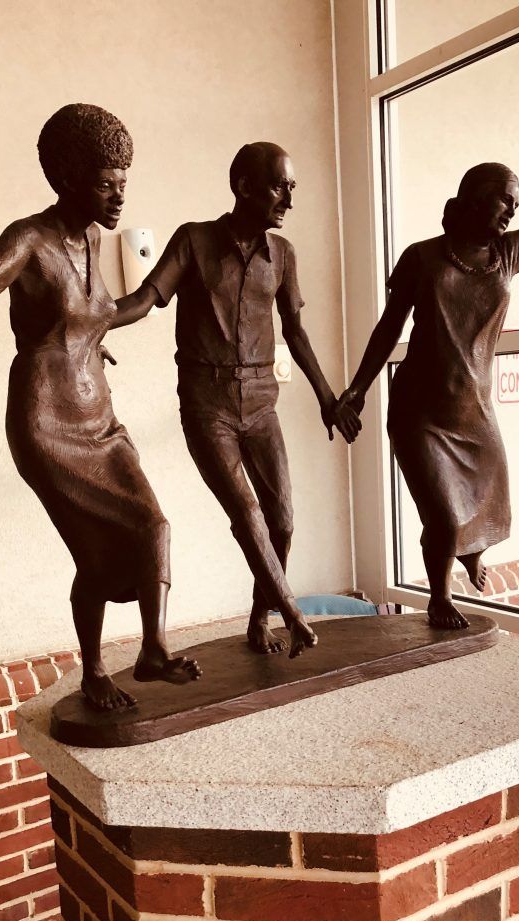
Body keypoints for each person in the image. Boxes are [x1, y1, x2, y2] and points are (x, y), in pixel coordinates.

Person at [0, 103, 200, 712]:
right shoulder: (30, 238)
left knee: (152, 525)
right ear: (68, 178)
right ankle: (95, 671)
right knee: (96, 555)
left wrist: (91, 340)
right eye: (105, 184)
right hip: (47, 422)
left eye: (123, 183)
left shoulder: (92, 239)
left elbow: (91, 316)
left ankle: (152, 649)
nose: (119, 196)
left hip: (101, 418)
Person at [335, 132, 519, 630]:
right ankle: (439, 596)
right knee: (442, 513)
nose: (512, 211)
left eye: (516, 204)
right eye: (504, 200)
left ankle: (470, 549)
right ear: (474, 200)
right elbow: (389, 328)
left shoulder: (508, 254)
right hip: (420, 410)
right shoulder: (422, 258)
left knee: (489, 498)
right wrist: (357, 390)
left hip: (474, 408)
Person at [111, 142, 360, 657]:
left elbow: (295, 332)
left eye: (292, 188)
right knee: (247, 512)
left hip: (262, 404)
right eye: (278, 187)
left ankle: (259, 619)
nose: (288, 200)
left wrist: (327, 398)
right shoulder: (195, 240)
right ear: (244, 187)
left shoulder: (282, 254)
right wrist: (90, 323)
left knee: (282, 521)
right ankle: (292, 614)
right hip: (208, 405)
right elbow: (144, 300)